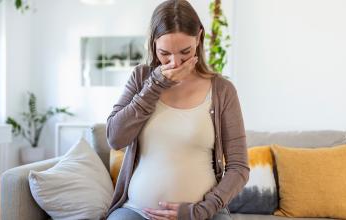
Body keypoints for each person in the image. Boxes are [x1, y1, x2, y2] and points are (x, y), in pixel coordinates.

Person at [105, 0, 249, 219]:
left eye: (185, 52)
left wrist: (200, 211)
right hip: (137, 212)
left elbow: (239, 168)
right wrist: (155, 85)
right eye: (165, 53)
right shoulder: (141, 78)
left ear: (199, 37)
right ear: (153, 44)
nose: (175, 63)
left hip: (203, 214)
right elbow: (115, 138)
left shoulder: (222, 90)